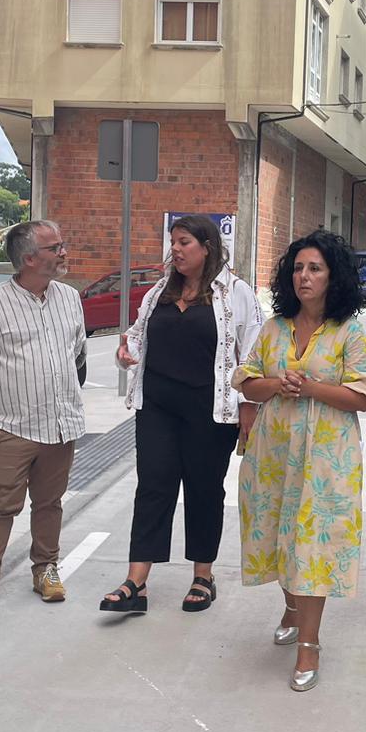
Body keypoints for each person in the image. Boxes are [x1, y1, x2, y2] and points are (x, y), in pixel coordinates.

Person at [234, 231, 366, 691]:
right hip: (273, 453)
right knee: (278, 534)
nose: (304, 276)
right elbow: (247, 382)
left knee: (313, 546)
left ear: (333, 277)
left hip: (326, 459)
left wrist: (311, 388)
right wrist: (277, 384)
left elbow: (363, 397)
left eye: (315, 268)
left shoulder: (348, 332)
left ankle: (309, 645)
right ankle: (292, 608)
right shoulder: (274, 328)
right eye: (298, 268)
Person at [100, 215, 262, 614]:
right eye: (172, 241)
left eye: (184, 242)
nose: (175, 249)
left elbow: (254, 352)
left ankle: (203, 576)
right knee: (153, 486)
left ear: (206, 247)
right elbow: (136, 338)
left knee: (203, 490)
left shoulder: (235, 292)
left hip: (209, 410)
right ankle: (137, 581)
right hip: (158, 407)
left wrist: (249, 405)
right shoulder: (160, 291)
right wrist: (124, 353)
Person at [0, 221, 86, 617]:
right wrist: (7, 397)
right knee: (0, 506)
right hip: (13, 425)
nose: (63, 252)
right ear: (29, 258)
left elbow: (76, 350)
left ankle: (46, 569)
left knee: (50, 503)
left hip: (61, 424)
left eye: (62, 244)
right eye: (55, 247)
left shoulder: (69, 298)